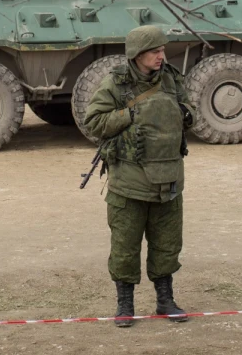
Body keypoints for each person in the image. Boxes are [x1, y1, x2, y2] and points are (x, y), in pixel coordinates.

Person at [82, 25, 195, 328]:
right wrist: (131, 114)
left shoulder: (171, 79)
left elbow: (190, 110)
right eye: (155, 51)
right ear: (137, 54)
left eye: (162, 50)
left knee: (167, 243)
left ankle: (165, 300)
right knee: (125, 245)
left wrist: (184, 114)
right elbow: (93, 122)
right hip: (129, 182)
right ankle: (125, 304)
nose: (162, 55)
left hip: (169, 176)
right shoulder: (116, 84)